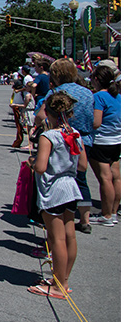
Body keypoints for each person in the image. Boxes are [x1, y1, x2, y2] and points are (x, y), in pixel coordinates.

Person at [26, 91, 85, 299]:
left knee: (56, 238)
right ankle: (63, 278)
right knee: (69, 235)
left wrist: (32, 162)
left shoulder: (48, 136)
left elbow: (41, 167)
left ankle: (59, 285)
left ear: (48, 112)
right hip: (71, 187)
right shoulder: (74, 133)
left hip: (54, 190)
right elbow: (83, 165)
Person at [33, 59, 95, 234]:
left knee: (56, 176)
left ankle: (55, 223)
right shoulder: (87, 93)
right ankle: (84, 219)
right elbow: (94, 120)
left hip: (59, 137)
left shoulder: (56, 93)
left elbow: (39, 117)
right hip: (83, 138)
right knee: (80, 178)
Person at [87, 66, 120, 226]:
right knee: (116, 177)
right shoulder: (118, 96)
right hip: (117, 140)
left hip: (102, 141)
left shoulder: (99, 96)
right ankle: (113, 212)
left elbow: (96, 122)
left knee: (105, 179)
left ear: (97, 79)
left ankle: (106, 215)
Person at [9, 79, 32, 148]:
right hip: (16, 107)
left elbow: (22, 102)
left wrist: (22, 113)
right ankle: (18, 140)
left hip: (19, 108)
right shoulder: (16, 91)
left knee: (20, 127)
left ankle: (18, 141)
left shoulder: (21, 92)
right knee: (18, 126)